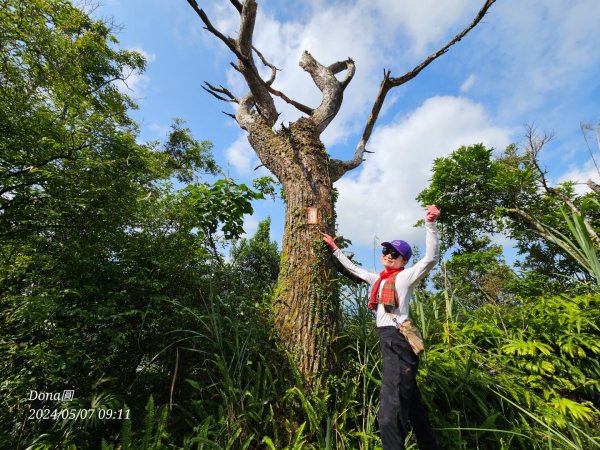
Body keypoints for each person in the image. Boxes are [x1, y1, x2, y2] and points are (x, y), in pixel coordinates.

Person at [322, 204, 440, 450]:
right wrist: (334, 248)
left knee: (389, 413)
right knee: (413, 407)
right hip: (388, 341)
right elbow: (353, 269)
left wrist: (430, 224)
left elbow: (430, 259)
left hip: (398, 342)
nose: (387, 254)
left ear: (404, 261)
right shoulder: (379, 279)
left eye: (394, 253)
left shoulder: (404, 278)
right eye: (386, 250)